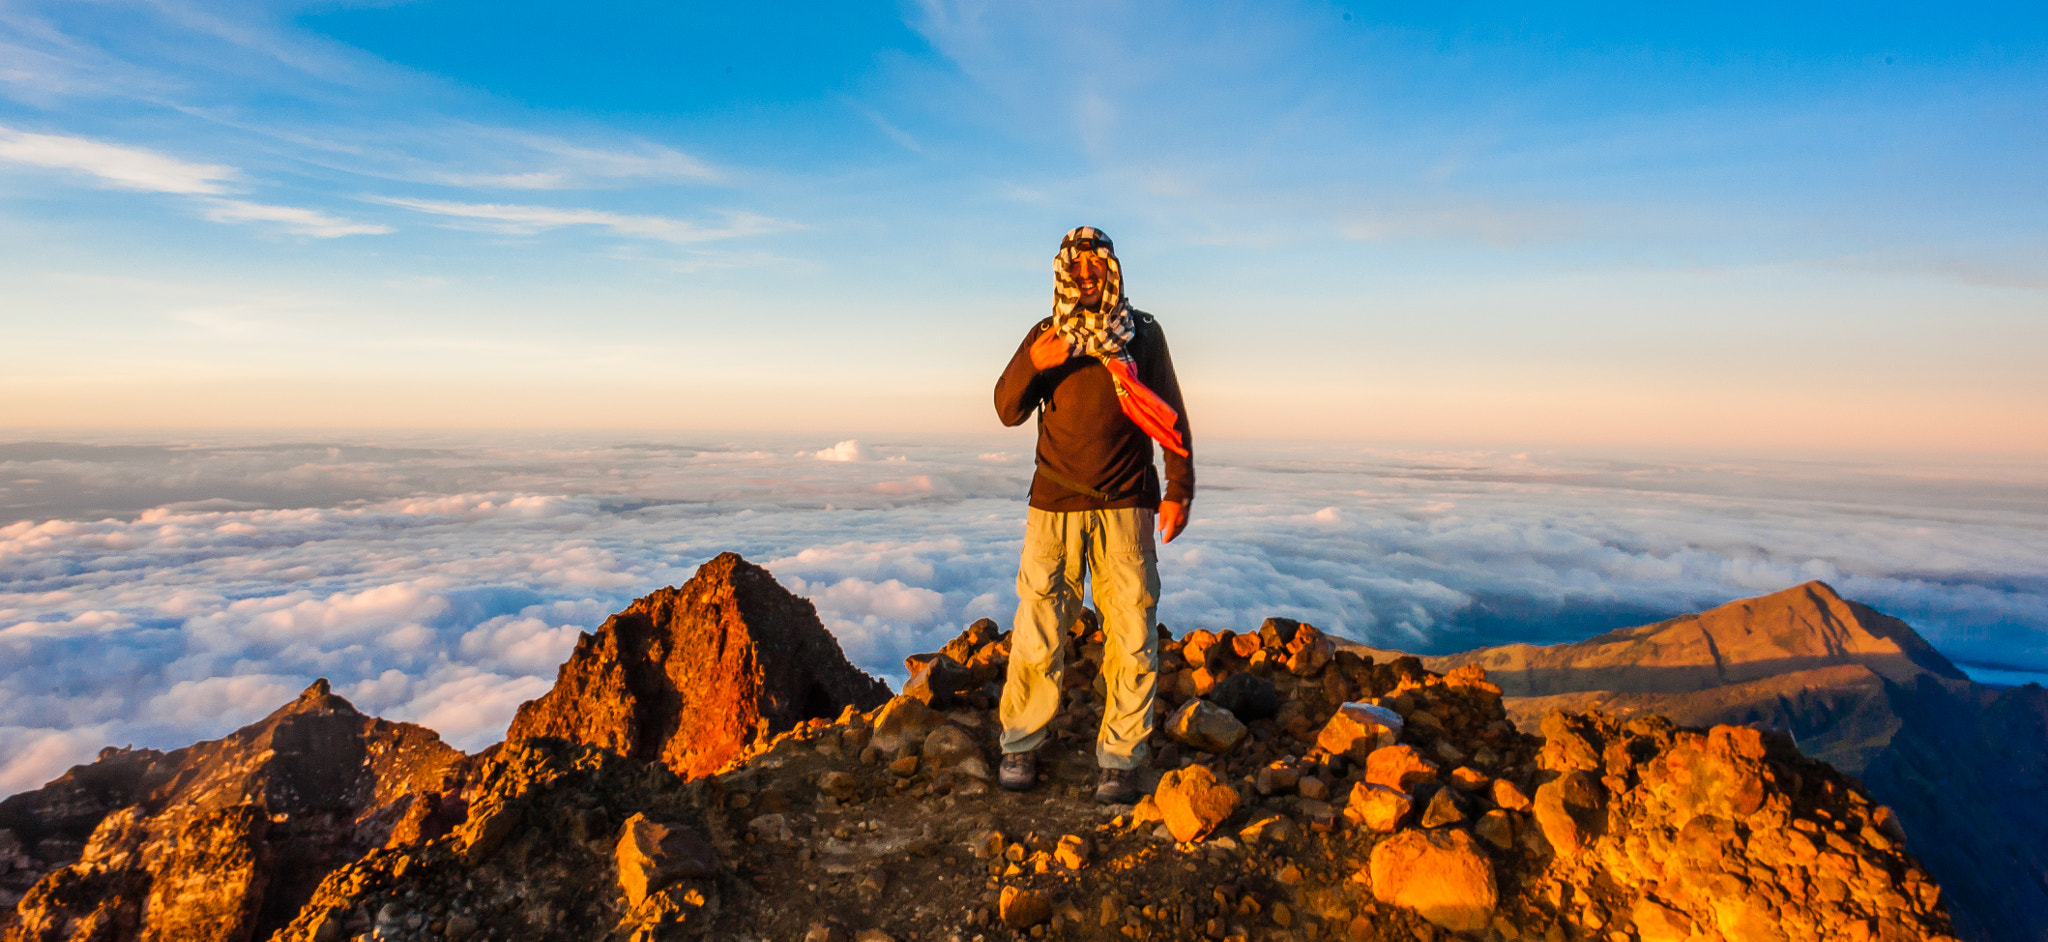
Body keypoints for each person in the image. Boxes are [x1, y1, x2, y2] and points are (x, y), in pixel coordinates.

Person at [991, 226, 1194, 804]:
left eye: (1095, 265)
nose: (1085, 275)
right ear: (1062, 271)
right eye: (1075, 266)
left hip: (1127, 505)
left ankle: (1121, 758)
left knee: (1131, 635)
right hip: (1054, 505)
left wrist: (1179, 487)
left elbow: (1170, 413)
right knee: (1038, 631)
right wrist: (1034, 361)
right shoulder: (1046, 335)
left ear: (1111, 269)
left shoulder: (1142, 334)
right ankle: (1021, 743)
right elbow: (1007, 408)